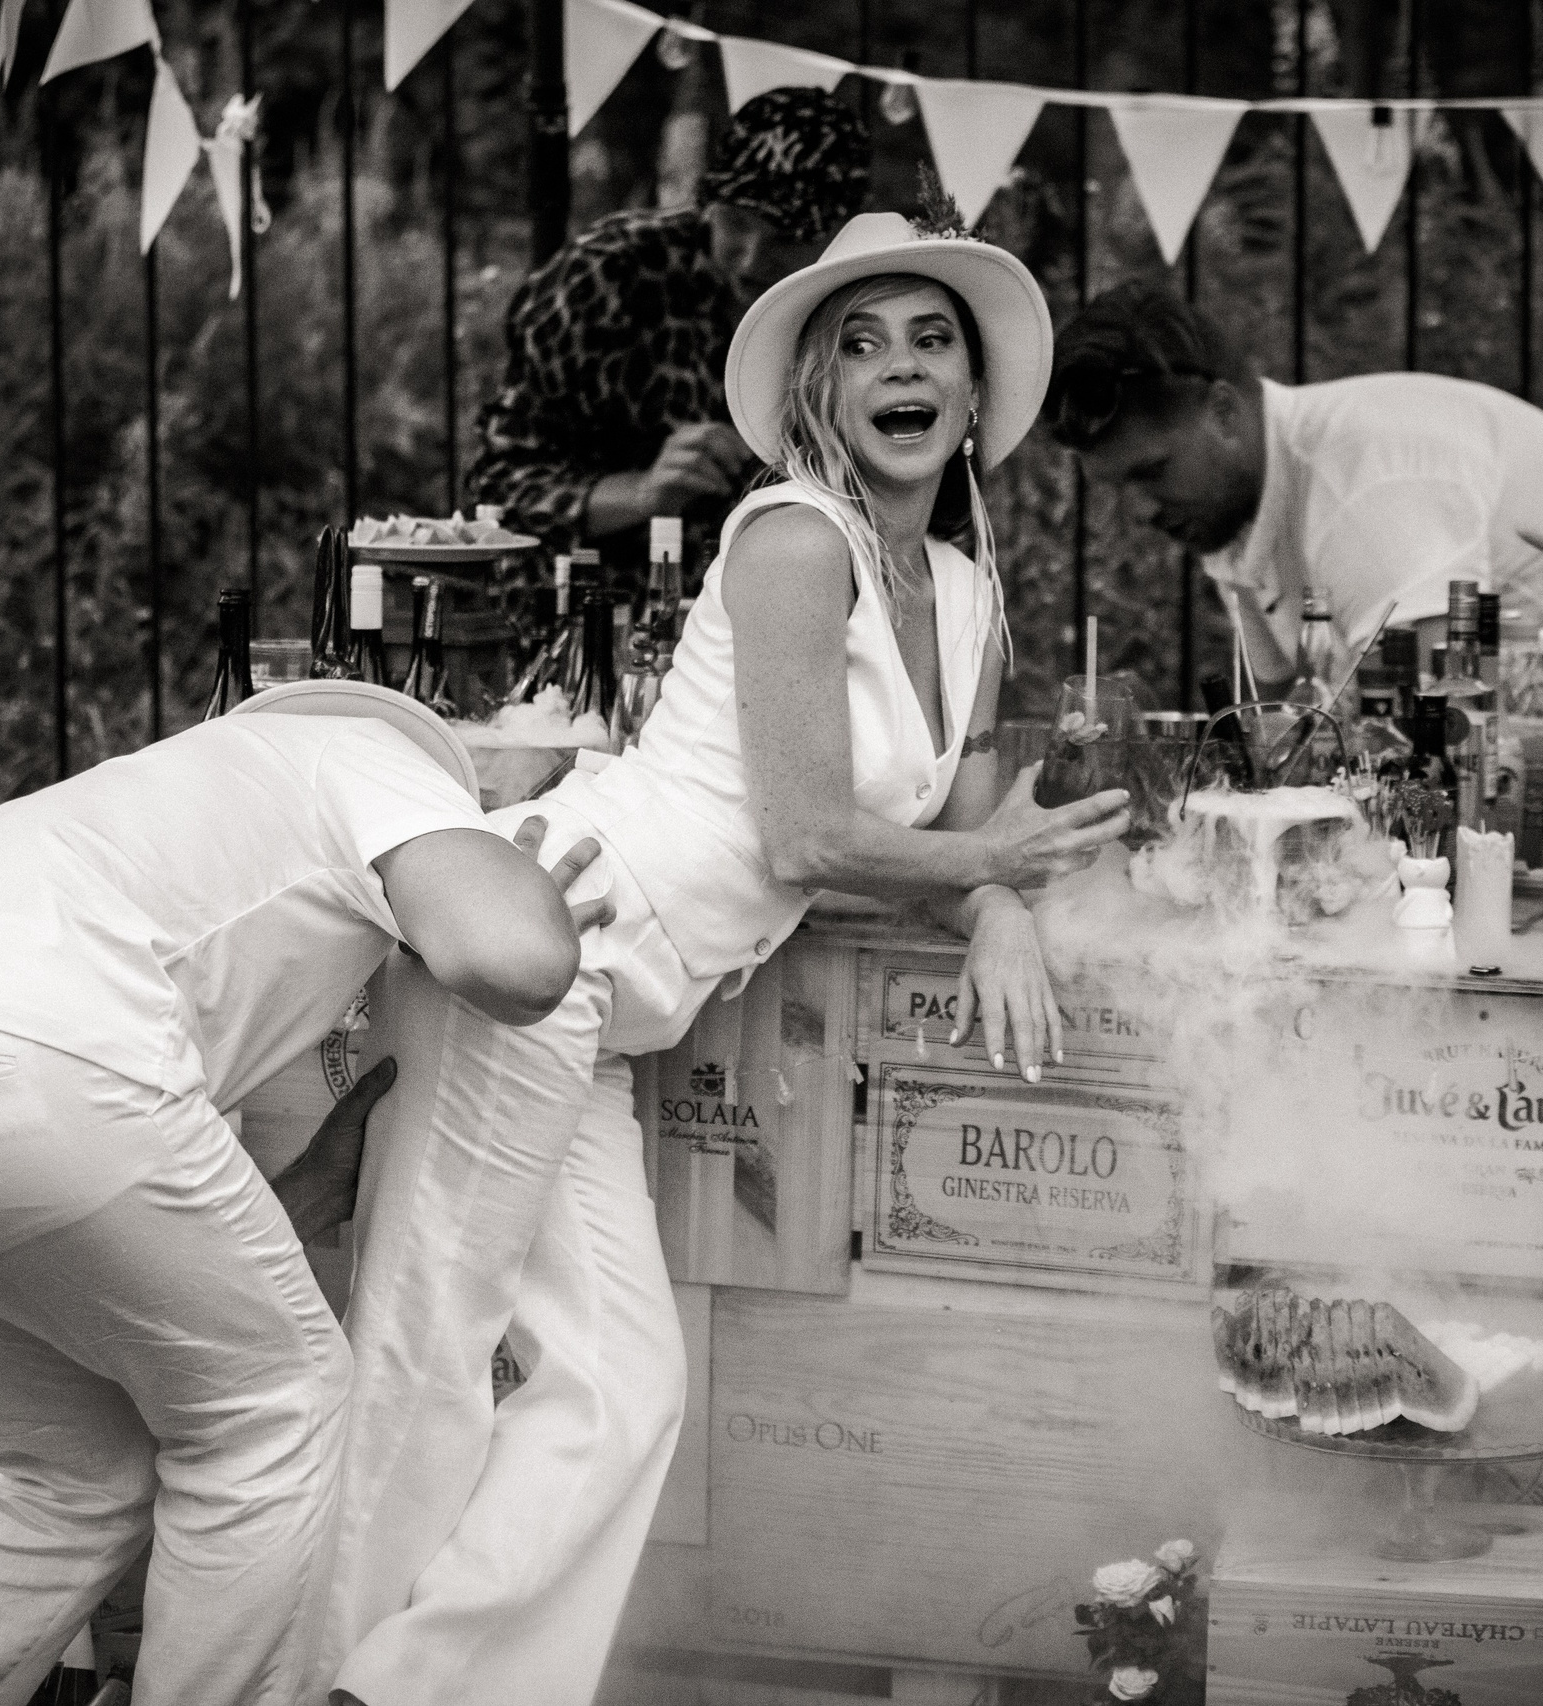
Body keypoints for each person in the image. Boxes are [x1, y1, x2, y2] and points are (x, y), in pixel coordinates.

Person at [316, 210, 1134, 1705]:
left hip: (610, 1017)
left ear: (972, 395)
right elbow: (811, 833)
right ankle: (321, 1676)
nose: (901, 367)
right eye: (863, 343)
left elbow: (956, 829)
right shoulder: (792, 538)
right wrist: (993, 871)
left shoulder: (965, 594)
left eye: (932, 341)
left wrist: (1000, 902)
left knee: (624, 1394)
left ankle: (402, 1687)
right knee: (429, 1357)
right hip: (540, 940)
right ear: (822, 388)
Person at [0, 685, 606, 1706]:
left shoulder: (168, 807)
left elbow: (98, 1205)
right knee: (271, 1414)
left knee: (71, 1473)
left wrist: (303, 1189)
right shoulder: (372, 754)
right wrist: (525, 895)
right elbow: (511, 955)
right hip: (15, 1059)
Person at [1042, 282, 1543, 695]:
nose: (1137, 511)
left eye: (1150, 472)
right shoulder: (1232, 505)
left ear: (1223, 413)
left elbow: (1429, 726)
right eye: (1115, 487)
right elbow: (1278, 720)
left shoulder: (1363, 486)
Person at [465, 88, 873, 561]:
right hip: (605, 591)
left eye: (786, 239)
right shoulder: (610, 275)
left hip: (804, 581)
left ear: (843, 235)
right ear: (707, 204)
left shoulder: (870, 307)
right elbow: (497, 494)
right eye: (736, 224)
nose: (750, 260)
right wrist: (642, 493)